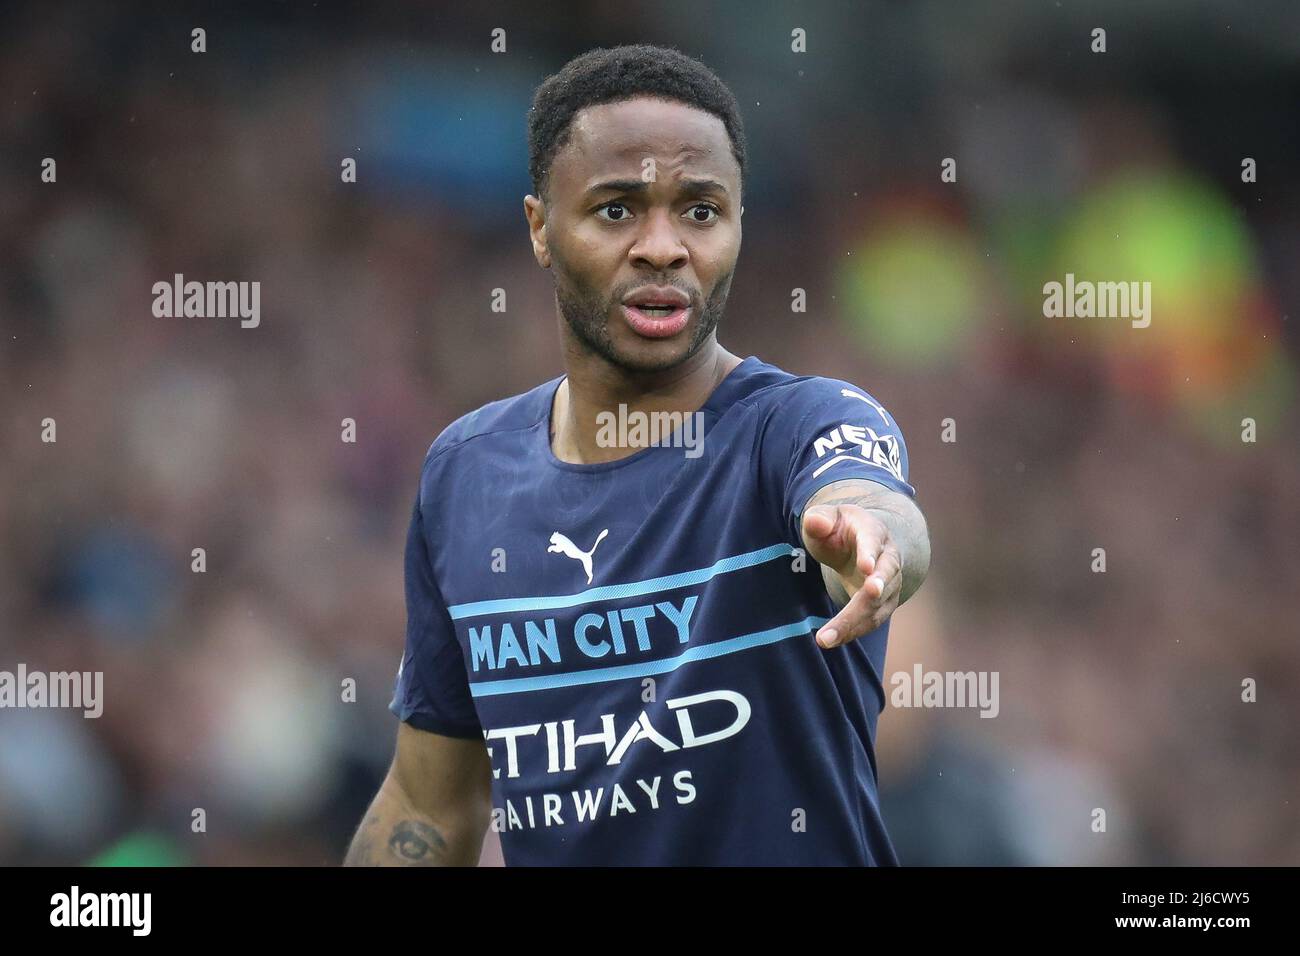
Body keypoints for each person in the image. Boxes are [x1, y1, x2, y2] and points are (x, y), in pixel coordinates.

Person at [346, 44, 931, 866]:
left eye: (700, 210)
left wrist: (875, 546)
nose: (664, 246)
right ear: (540, 229)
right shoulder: (465, 474)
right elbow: (430, 802)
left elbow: (879, 508)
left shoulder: (798, 425)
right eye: (617, 209)